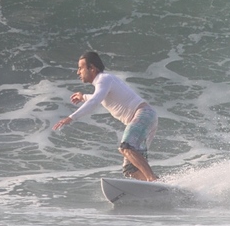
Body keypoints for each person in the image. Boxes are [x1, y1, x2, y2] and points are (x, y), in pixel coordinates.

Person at [52, 52, 159, 181]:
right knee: (130, 169)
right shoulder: (104, 83)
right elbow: (98, 97)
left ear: (92, 68)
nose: (77, 72)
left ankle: (152, 180)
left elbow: (95, 101)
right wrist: (83, 97)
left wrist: (71, 117)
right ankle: (161, 187)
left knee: (126, 147)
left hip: (143, 114)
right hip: (145, 119)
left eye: (80, 68)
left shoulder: (104, 79)